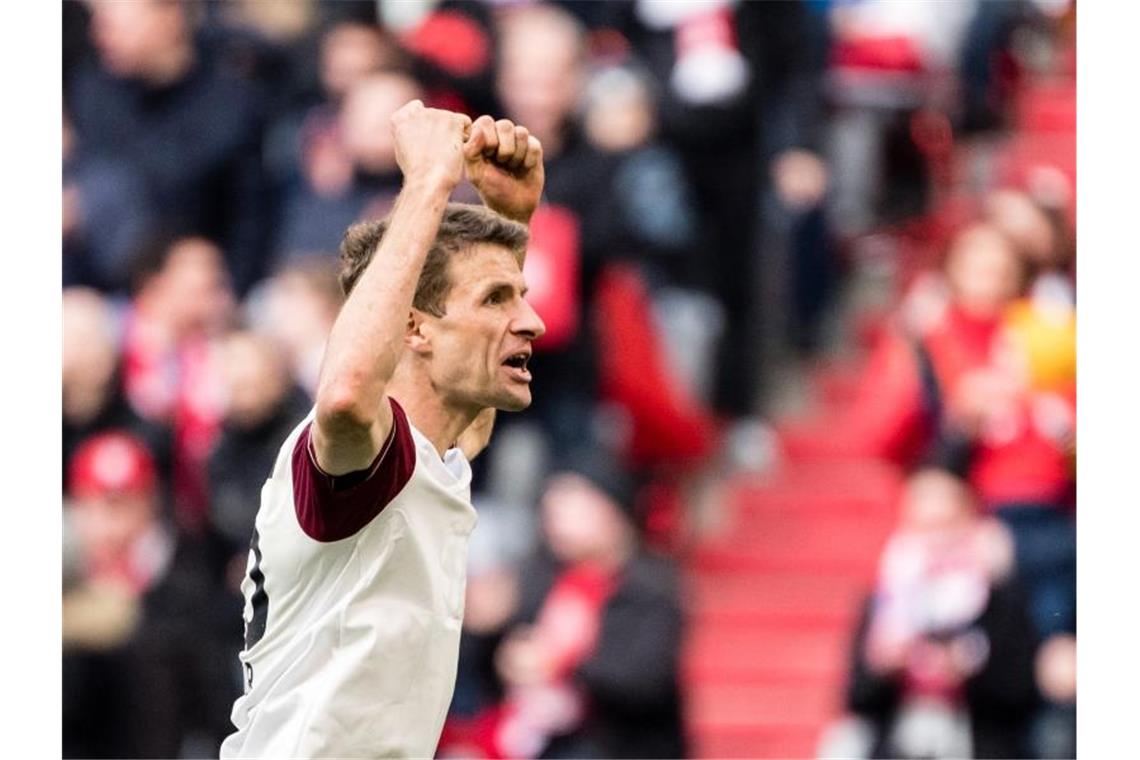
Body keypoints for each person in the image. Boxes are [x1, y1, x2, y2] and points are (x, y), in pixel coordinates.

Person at [220, 100, 547, 758]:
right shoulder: (361, 455)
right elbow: (344, 393)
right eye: (496, 300)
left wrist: (509, 220)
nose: (532, 323)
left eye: (522, 297)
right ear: (414, 330)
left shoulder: (437, 452)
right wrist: (428, 180)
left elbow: (472, 420)